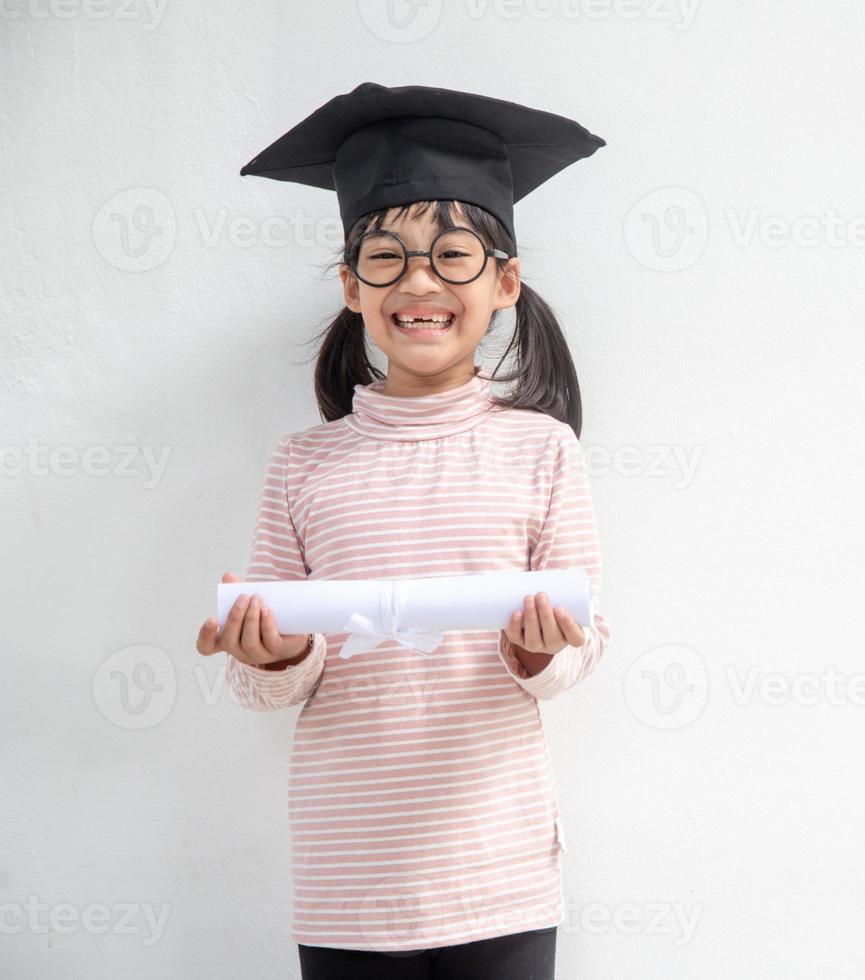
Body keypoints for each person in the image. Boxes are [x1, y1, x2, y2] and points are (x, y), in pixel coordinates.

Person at [193, 82, 610, 980]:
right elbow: (270, 686)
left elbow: (586, 645)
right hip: (352, 868)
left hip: (496, 861)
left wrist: (541, 654)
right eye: (386, 258)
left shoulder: (541, 451)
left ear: (503, 282)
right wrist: (269, 656)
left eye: (452, 255)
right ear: (353, 287)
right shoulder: (303, 465)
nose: (419, 281)